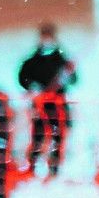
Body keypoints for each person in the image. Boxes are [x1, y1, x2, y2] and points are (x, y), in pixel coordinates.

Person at [17, 23, 78, 178]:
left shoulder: (62, 60)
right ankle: (32, 167)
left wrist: (67, 77)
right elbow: (22, 77)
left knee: (58, 138)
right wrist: (32, 86)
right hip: (40, 105)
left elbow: (75, 79)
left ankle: (54, 169)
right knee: (37, 136)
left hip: (58, 106)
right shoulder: (32, 61)